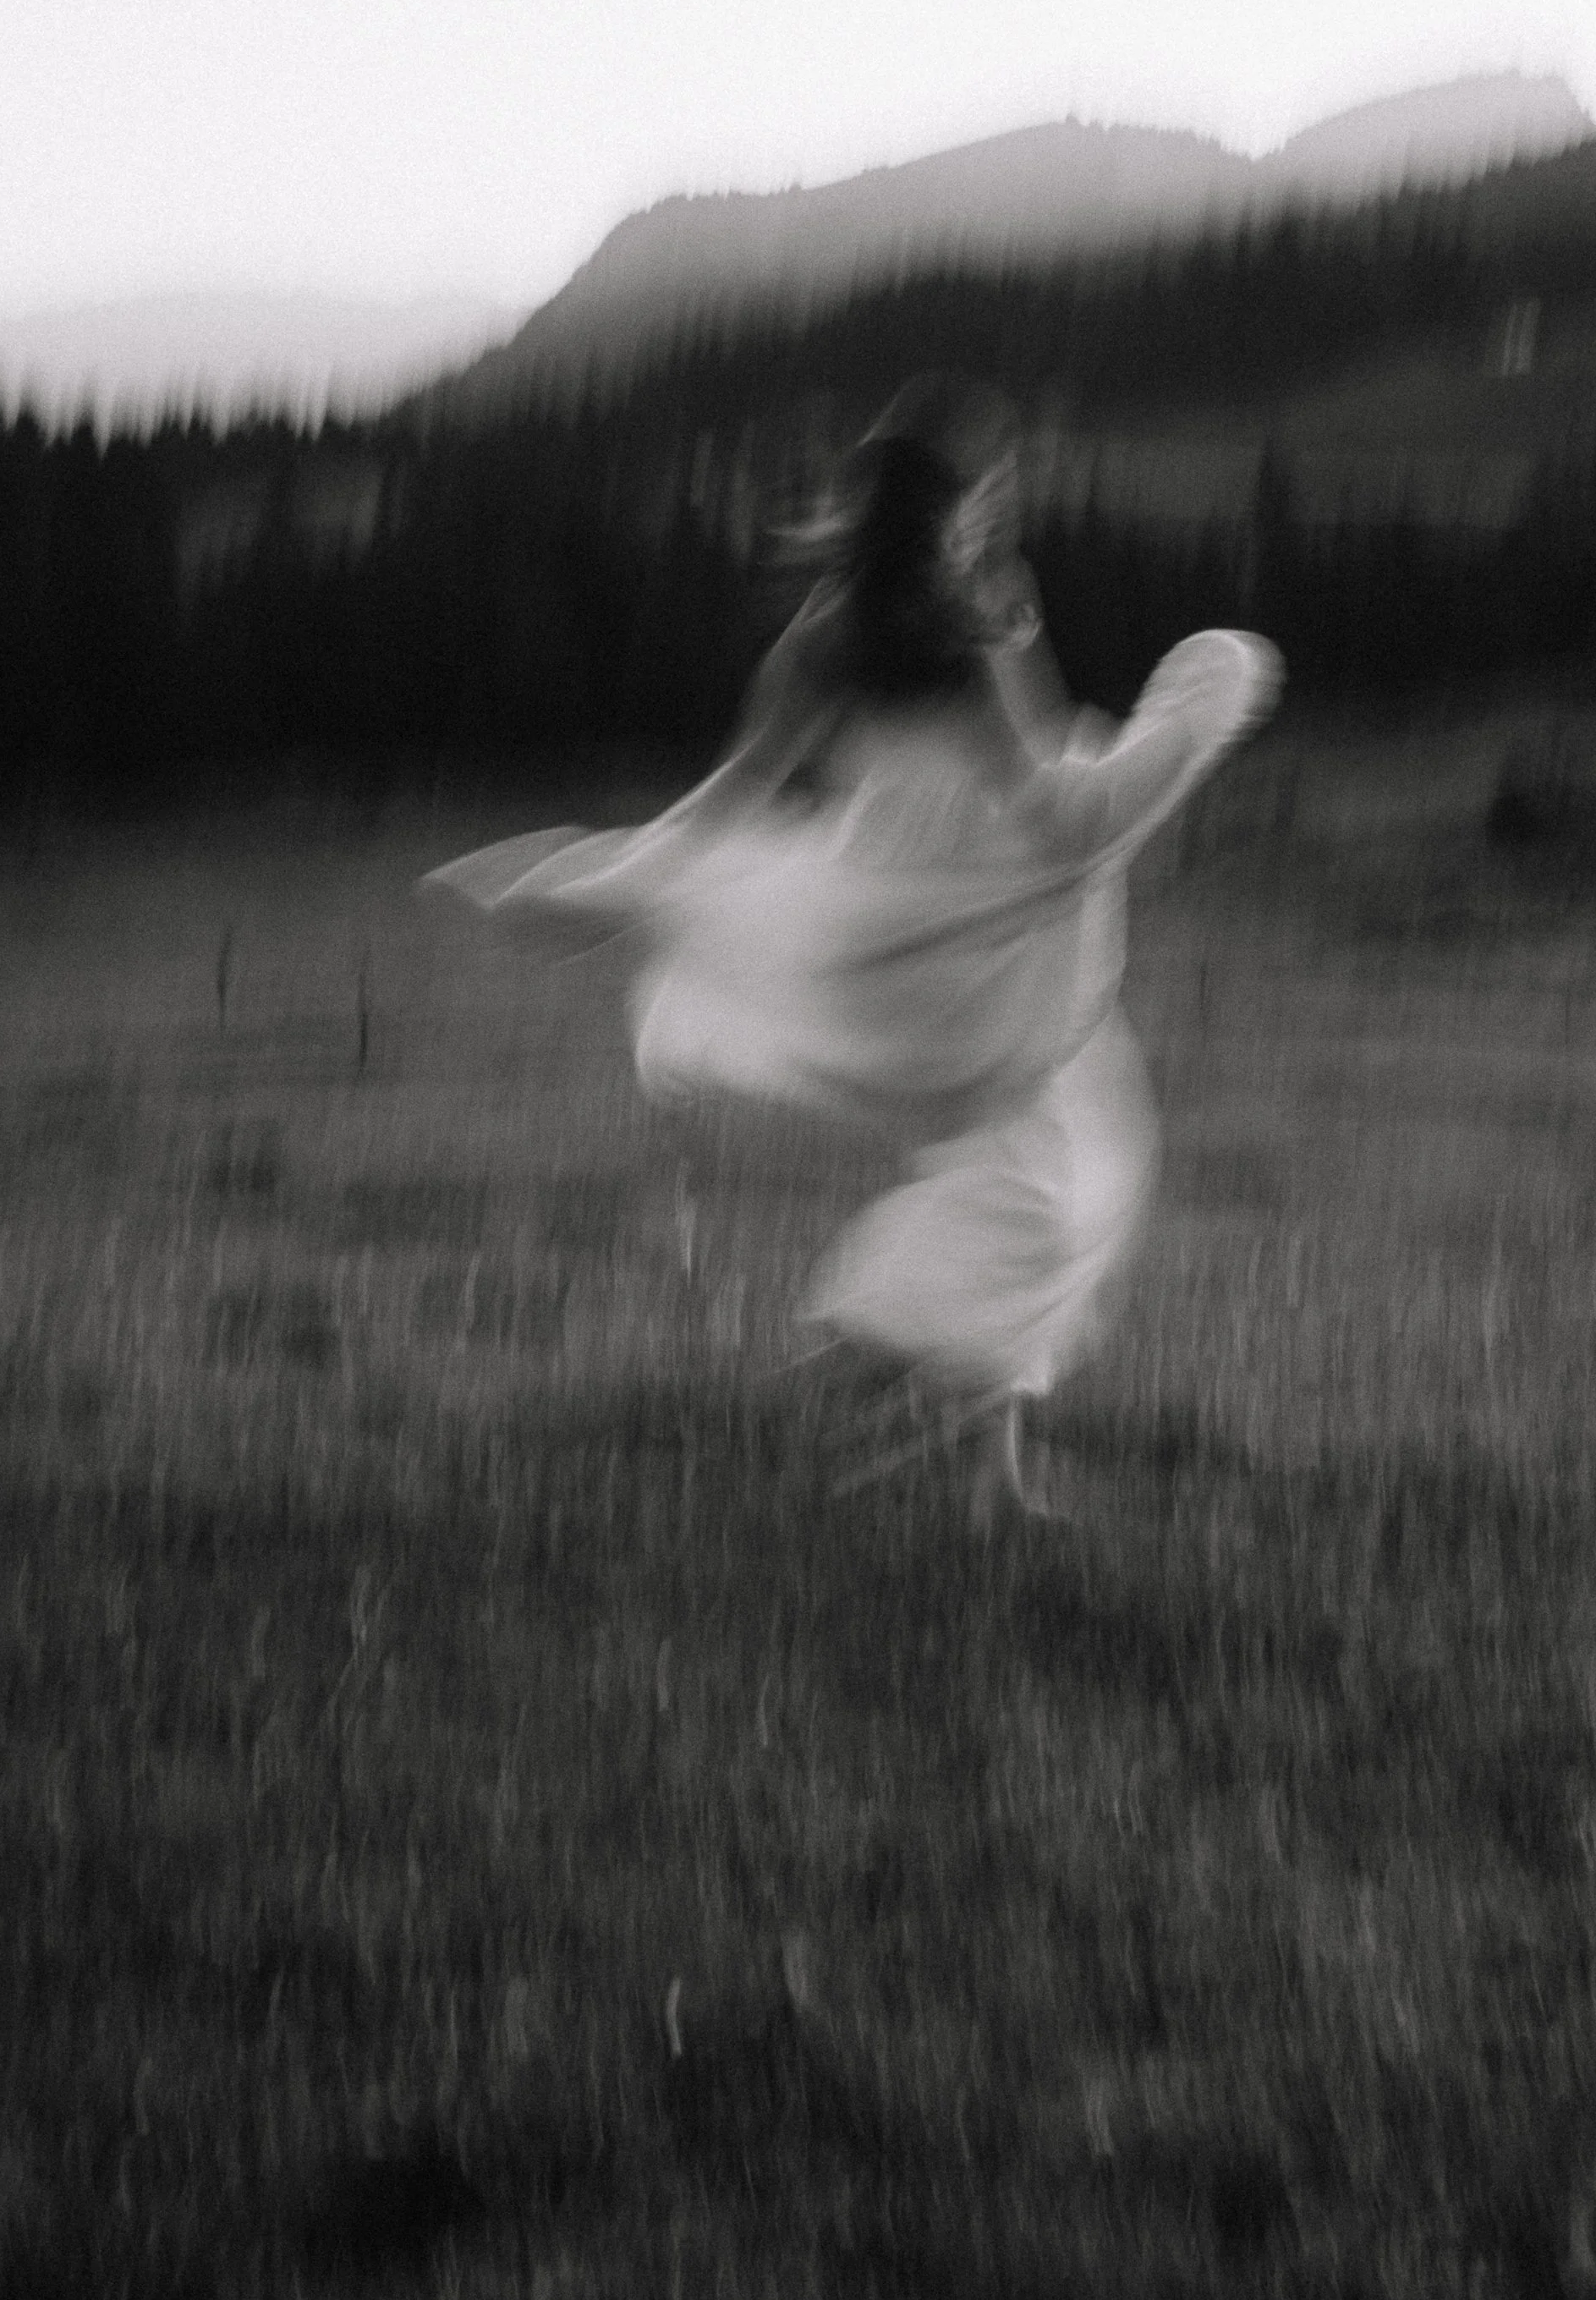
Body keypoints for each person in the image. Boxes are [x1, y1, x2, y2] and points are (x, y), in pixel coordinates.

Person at [424, 375, 1282, 1525]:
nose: (1005, 508)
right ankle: (882, 1341)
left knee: (1067, 1157)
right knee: (1069, 1173)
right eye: (993, 491)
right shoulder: (974, 630)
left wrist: (597, 884)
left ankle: (969, 1438)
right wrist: (1188, 725)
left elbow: (724, 804)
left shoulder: (819, 637)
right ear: (959, 507)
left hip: (878, 940)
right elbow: (1056, 821)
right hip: (976, 939)